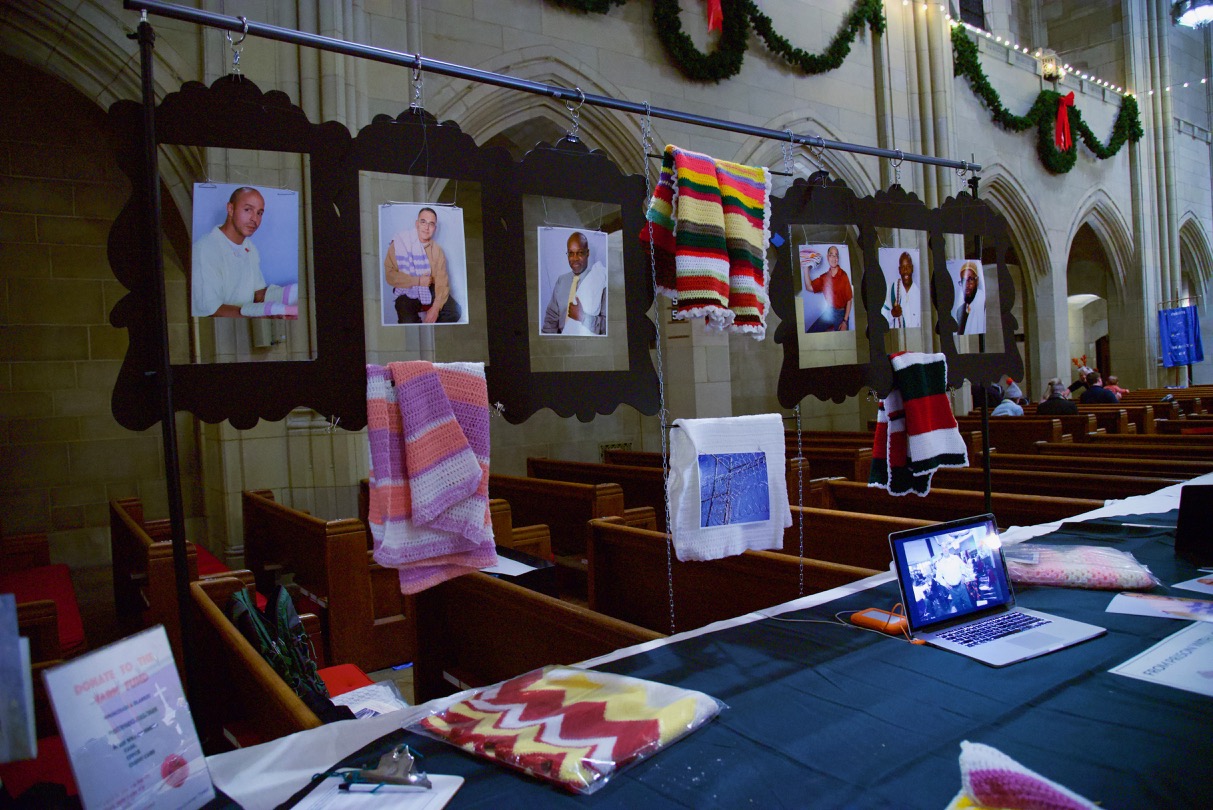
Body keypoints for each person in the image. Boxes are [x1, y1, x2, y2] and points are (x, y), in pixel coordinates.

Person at [192, 186, 270, 317]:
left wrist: (286, 298)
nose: (254, 219)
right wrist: (257, 314)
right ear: (230, 209)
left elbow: (258, 293)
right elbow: (211, 309)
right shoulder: (205, 248)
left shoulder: (250, 247)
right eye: (248, 210)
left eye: (259, 213)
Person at [385, 207, 461, 324]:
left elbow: (442, 281)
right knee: (408, 320)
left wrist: (435, 308)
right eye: (423, 222)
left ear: (435, 228)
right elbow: (390, 275)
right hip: (406, 287)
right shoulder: (400, 243)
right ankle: (419, 329)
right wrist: (418, 281)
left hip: (430, 288)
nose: (426, 227)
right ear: (417, 224)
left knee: (455, 312)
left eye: (431, 224)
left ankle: (429, 327)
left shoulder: (437, 250)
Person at [542, 231, 607, 336]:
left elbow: (607, 327)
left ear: (587, 253)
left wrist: (583, 317)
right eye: (571, 253)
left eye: (580, 252)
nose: (575, 258)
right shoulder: (561, 281)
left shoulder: (599, 280)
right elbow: (551, 318)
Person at [806, 245, 853, 333]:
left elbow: (849, 300)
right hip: (829, 311)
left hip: (841, 314)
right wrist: (806, 268)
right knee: (811, 332)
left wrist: (845, 321)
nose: (834, 258)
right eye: (831, 255)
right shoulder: (824, 277)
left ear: (837, 258)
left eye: (836, 255)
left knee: (843, 342)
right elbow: (809, 287)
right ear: (827, 257)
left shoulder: (843, 275)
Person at [881, 251, 920, 329]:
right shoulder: (890, 290)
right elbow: (881, 320)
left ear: (912, 268)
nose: (905, 270)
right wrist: (892, 314)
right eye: (903, 267)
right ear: (899, 270)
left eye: (908, 267)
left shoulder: (919, 293)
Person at [953, 261, 986, 335]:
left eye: (970, 279)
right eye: (963, 281)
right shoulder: (960, 311)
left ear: (977, 281)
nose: (966, 285)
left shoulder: (983, 303)